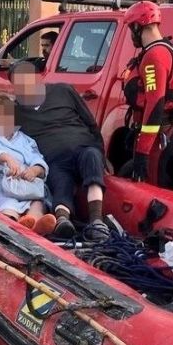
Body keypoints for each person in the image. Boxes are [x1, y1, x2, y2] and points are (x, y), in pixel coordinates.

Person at [10, 61, 107, 240]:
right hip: (53, 160)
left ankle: (96, 221)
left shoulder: (63, 91)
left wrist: (103, 154)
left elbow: (91, 123)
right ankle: (63, 220)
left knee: (92, 157)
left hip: (83, 148)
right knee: (60, 179)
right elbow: (0, 133)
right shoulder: (16, 111)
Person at [121, 0, 173, 189]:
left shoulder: (154, 56)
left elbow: (154, 105)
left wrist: (142, 152)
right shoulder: (172, 49)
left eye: (132, 28)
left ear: (138, 26)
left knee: (153, 188)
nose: (132, 34)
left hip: (158, 138)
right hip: (168, 132)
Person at [0, 93, 56, 235]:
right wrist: (6, 158)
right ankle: (11, 224)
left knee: (38, 202)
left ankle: (34, 225)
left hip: (28, 184)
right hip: (4, 183)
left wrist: (35, 170)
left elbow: (37, 158)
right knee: (8, 204)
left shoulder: (24, 139)